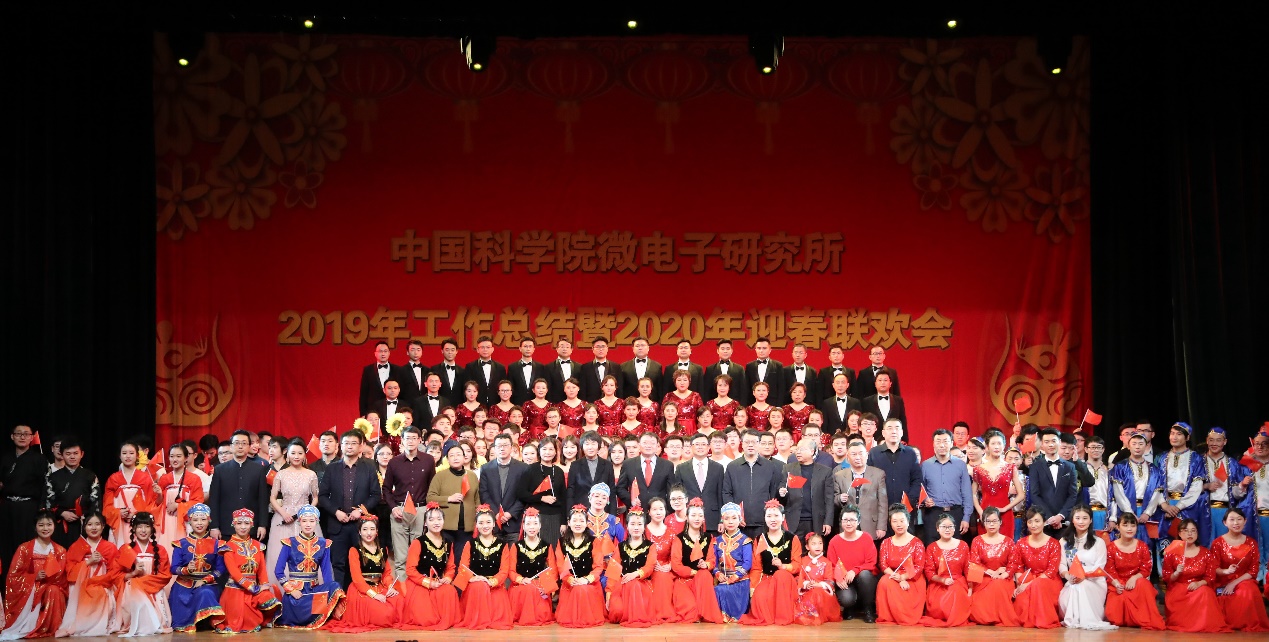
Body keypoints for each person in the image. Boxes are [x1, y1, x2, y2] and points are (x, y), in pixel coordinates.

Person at [317, 430, 381, 586]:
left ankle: (359, 597)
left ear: (361, 446)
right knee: (337, 564)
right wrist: (336, 512)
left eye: (354, 443)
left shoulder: (369, 467)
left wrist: (360, 510)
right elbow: (323, 496)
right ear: (340, 446)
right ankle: (338, 596)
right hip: (337, 524)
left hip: (360, 525)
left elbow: (375, 495)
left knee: (361, 564)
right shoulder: (332, 468)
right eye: (346, 443)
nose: (350, 447)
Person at [270, 504, 345, 629]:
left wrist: (330, 595)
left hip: (314, 591)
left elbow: (326, 573)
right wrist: (291, 590)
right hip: (296, 593)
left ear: (317, 522)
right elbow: (278, 571)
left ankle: (320, 614)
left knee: (335, 585)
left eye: (311, 521)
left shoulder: (324, 544)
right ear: (299, 522)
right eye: (304, 521)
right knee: (297, 607)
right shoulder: (290, 543)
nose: (308, 524)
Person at [1, 510, 68, 639]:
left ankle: (49, 626)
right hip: (30, 589)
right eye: (41, 525)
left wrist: (48, 578)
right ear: (35, 527)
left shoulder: (60, 551)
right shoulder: (24, 548)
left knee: (54, 590)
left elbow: (62, 578)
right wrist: (33, 578)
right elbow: (13, 576)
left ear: (54, 526)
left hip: (50, 588)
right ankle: (30, 625)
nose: (45, 528)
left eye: (49, 524)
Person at [330, 516, 404, 631]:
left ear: (377, 531)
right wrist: (374, 595)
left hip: (379, 587)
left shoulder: (383, 549)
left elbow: (386, 574)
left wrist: (390, 586)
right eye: (365, 529)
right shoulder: (354, 550)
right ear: (359, 532)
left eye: (372, 529)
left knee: (399, 601)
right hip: (362, 590)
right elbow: (357, 579)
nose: (369, 533)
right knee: (384, 613)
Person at [263, 440, 319, 587]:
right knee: (280, 552)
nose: (296, 456)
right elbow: (272, 498)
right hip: (284, 517)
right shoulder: (281, 474)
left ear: (304, 455)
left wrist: (308, 513)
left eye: (300, 453)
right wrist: (283, 513)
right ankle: (282, 589)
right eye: (293, 453)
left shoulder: (311, 474)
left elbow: (315, 497)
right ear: (287, 454)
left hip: (305, 519)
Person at [55, 512, 118, 636]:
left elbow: (114, 571)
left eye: (97, 524)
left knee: (99, 591)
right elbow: (70, 573)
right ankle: (82, 624)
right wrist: (88, 562)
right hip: (80, 585)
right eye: (89, 524)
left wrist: (100, 580)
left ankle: (95, 624)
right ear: (84, 526)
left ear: (103, 526)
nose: (93, 528)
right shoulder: (75, 547)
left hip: (102, 584)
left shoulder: (110, 547)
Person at [1162, 518, 1230, 632]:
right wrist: (1176, 573)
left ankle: (1203, 625)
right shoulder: (1171, 553)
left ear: (1197, 533)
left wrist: (1199, 583)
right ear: (1179, 533)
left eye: (1193, 531)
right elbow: (1167, 577)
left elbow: (1210, 577)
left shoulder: (1206, 553)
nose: (1190, 534)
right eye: (1186, 530)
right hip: (1179, 588)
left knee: (1205, 592)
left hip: (1199, 586)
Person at [400, 502, 460, 630]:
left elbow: (451, 567)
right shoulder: (418, 542)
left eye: (439, 519)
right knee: (427, 620)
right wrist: (428, 582)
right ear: (425, 523)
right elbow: (410, 570)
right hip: (419, 584)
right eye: (431, 519)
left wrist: (447, 578)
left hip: (438, 583)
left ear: (443, 521)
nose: (436, 522)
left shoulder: (448, 543)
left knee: (450, 591)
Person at [218, 508, 280, 632]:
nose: (243, 527)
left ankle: (264, 618)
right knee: (239, 620)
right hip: (236, 590)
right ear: (233, 524)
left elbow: (261, 570)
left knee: (270, 598)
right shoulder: (228, 547)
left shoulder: (258, 546)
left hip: (254, 590)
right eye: (239, 523)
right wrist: (254, 588)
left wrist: (264, 586)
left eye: (246, 523)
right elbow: (234, 573)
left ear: (251, 524)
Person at [167, 504, 226, 633]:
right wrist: (186, 569)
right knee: (180, 597)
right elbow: (173, 568)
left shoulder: (217, 544)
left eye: (203, 519)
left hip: (208, 583)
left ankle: (208, 622)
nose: (199, 523)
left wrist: (205, 580)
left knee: (205, 593)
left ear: (209, 520)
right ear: (190, 521)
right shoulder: (181, 544)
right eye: (195, 520)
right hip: (183, 584)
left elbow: (221, 569)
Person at [740, 500, 800, 625]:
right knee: (760, 598)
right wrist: (753, 588)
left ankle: (783, 616)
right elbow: (756, 568)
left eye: (776, 515)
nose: (773, 519)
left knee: (780, 574)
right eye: (769, 516)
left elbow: (797, 565)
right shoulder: (759, 539)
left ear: (783, 517)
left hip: (786, 580)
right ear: (765, 518)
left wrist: (783, 566)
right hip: (767, 579)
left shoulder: (792, 538)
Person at [1057, 505, 1117, 630]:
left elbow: (1100, 566)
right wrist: (1068, 576)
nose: (1081, 522)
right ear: (1072, 520)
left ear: (1090, 521)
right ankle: (1074, 619)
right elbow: (1062, 564)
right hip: (1072, 581)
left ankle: (1086, 619)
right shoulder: (1064, 541)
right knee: (1072, 590)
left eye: (1085, 518)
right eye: (1078, 518)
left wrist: (1083, 576)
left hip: (1094, 581)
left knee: (1081, 586)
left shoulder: (1098, 542)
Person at [1103, 512, 1165, 630]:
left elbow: (1146, 569)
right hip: (1118, 583)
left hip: (1136, 583)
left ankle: (1143, 619)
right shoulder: (1110, 547)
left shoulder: (1142, 546)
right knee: (1116, 619)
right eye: (1125, 525)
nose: (1129, 528)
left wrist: (1134, 578)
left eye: (1133, 525)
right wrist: (1116, 584)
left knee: (1144, 584)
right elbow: (1110, 571)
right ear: (1118, 527)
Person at [1210, 508, 1269, 631]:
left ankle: (1245, 624)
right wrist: (1225, 571)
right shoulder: (1217, 543)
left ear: (1245, 521)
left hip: (1244, 580)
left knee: (1248, 589)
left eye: (1239, 519)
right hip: (1223, 581)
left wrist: (1234, 583)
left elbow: (1253, 571)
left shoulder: (1251, 543)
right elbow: (1214, 568)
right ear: (1225, 523)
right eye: (1232, 520)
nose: (1236, 523)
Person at [1155, 422, 1209, 548]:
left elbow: (1196, 486)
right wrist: (1164, 505)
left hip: (1186, 506)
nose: (1174, 437)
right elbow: (1155, 484)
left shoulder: (1196, 458)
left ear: (1187, 437)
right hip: (1164, 505)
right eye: (1172, 433)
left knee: (1186, 542)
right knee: (1166, 545)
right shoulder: (1161, 458)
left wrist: (1178, 507)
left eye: (1179, 434)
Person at [669, 498, 723, 622]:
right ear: (687, 517)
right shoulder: (679, 539)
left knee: (704, 574)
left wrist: (706, 565)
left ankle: (708, 613)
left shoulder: (709, 537)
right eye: (693, 515)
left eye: (700, 515)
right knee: (691, 612)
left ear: (703, 518)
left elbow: (712, 560)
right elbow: (676, 565)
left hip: (702, 581)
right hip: (684, 581)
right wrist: (693, 572)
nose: (697, 518)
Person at [1108, 432, 1165, 550]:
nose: (1137, 447)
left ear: (1146, 446)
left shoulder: (1154, 469)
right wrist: (1129, 512)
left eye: (1140, 444)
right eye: (1134, 444)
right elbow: (1118, 492)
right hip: (1126, 510)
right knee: (1126, 543)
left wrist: (1147, 513)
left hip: (1146, 512)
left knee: (1146, 545)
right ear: (1128, 446)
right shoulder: (1120, 467)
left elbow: (1156, 493)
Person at [425, 442, 478, 568]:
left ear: (464, 457)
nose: (455, 458)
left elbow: (477, 500)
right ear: (447, 459)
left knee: (463, 561)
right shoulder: (440, 476)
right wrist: (448, 499)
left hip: (467, 527)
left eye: (458, 455)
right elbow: (430, 498)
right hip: (446, 526)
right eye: (451, 455)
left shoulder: (472, 476)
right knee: (446, 560)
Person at [553, 505, 606, 628]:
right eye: (575, 520)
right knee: (577, 589)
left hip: (589, 585)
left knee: (581, 589)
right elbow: (560, 566)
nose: (578, 524)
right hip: (570, 584)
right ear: (569, 523)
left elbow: (598, 567)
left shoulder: (594, 541)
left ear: (587, 523)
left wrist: (586, 580)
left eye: (581, 521)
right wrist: (570, 579)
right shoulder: (561, 542)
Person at [723, 430, 784, 537]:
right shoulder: (732, 466)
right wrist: (734, 515)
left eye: (754, 442)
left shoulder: (770, 466)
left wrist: (770, 516)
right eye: (747, 442)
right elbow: (727, 493)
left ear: (759, 444)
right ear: (742, 443)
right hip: (739, 522)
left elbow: (773, 493)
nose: (750, 445)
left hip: (763, 521)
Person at [101, 440, 160, 550]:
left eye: (131, 453)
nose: (128, 456)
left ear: (137, 456)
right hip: (119, 522)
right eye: (124, 453)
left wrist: (137, 515)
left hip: (139, 524)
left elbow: (152, 503)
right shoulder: (113, 479)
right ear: (119, 456)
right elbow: (107, 506)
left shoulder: (145, 478)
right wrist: (118, 513)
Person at [605, 505, 658, 627]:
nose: (636, 527)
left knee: (635, 585)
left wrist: (635, 574)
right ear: (627, 527)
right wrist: (609, 595)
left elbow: (649, 567)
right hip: (622, 585)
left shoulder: (650, 546)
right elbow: (613, 572)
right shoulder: (620, 546)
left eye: (639, 524)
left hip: (642, 585)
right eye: (632, 524)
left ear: (644, 527)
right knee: (616, 613)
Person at [967, 506, 1021, 626]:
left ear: (1000, 522)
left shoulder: (1008, 541)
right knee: (978, 610)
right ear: (983, 523)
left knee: (998, 585)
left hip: (1003, 578)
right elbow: (975, 563)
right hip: (983, 578)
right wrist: (992, 572)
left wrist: (1004, 574)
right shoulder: (977, 541)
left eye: (994, 521)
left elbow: (1013, 563)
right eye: (988, 521)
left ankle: (999, 616)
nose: (991, 524)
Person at [868, 420, 922, 535]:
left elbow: (917, 479)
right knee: (882, 540)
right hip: (880, 509)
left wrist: (910, 499)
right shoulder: (874, 453)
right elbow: (869, 479)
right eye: (890, 428)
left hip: (906, 507)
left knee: (905, 540)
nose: (893, 431)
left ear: (902, 432)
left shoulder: (910, 453)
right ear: (883, 433)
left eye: (897, 428)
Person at [1012, 507, 1062, 628]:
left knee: (1038, 586)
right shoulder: (1021, 543)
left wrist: (1028, 585)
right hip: (1027, 580)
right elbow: (1018, 567)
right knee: (1021, 602)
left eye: (1037, 521)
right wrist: (1020, 585)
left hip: (1048, 581)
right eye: (1030, 522)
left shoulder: (1054, 543)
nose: (1033, 525)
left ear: (1044, 522)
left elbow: (1051, 571)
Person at [918, 512, 970, 627]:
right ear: (937, 529)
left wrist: (970, 587)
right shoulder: (931, 547)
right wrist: (943, 580)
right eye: (944, 527)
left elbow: (968, 568)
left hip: (958, 582)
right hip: (938, 583)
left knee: (955, 591)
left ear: (954, 528)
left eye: (950, 526)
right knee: (941, 602)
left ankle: (955, 617)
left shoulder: (963, 545)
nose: (947, 529)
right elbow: (929, 572)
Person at [505, 507, 556, 626]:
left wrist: (546, 587)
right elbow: (511, 570)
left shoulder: (547, 546)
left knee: (534, 592)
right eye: (528, 524)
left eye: (535, 523)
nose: (532, 527)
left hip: (539, 586)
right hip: (520, 586)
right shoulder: (516, 546)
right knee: (527, 589)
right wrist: (521, 579)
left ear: (540, 526)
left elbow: (553, 570)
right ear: (523, 526)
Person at [874, 504, 925, 624]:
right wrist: (897, 577)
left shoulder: (917, 543)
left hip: (911, 577)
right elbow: (883, 565)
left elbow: (919, 567)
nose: (899, 524)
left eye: (902, 521)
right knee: (884, 581)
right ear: (890, 524)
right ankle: (889, 616)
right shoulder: (886, 542)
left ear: (908, 522)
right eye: (895, 521)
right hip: (893, 574)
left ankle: (905, 615)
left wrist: (903, 577)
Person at [45, 439, 99, 550]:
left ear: (82, 454)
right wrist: (61, 513)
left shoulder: (90, 476)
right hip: (60, 523)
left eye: (75, 453)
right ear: (62, 455)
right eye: (68, 453)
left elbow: (96, 502)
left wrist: (88, 518)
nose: (72, 457)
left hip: (84, 523)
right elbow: (47, 503)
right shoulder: (53, 477)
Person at [921, 429, 973, 543]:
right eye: (938, 441)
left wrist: (966, 518)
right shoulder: (925, 465)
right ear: (933, 444)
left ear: (951, 443)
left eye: (945, 441)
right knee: (932, 547)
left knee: (955, 548)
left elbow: (967, 493)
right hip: (933, 514)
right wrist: (925, 500)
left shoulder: (960, 465)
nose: (942, 445)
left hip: (956, 513)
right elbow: (921, 490)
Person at [826, 506, 877, 621]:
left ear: (858, 521)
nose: (848, 523)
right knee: (847, 599)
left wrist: (855, 570)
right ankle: (850, 608)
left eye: (852, 520)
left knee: (865, 575)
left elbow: (871, 562)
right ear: (841, 521)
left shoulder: (866, 538)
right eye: (845, 520)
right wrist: (838, 578)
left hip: (862, 577)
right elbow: (831, 565)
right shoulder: (834, 541)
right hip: (844, 579)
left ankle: (868, 608)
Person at [1202, 427, 1252, 542]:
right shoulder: (1198, 462)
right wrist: (1205, 486)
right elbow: (1188, 488)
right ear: (1207, 441)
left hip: (1225, 511)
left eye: (1218, 440)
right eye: (1211, 440)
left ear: (1225, 442)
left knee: (1225, 544)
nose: (1214, 443)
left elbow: (1236, 495)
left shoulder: (1232, 464)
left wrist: (1242, 485)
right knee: (1205, 544)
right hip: (1203, 511)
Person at [834, 439, 888, 541]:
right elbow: (833, 499)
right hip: (848, 525)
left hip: (870, 525)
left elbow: (883, 503)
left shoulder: (878, 474)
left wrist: (881, 527)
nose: (857, 457)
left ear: (866, 455)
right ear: (848, 457)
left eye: (861, 453)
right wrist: (839, 498)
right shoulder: (839, 476)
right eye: (854, 454)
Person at [781, 438, 835, 538]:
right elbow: (781, 494)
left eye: (802, 449)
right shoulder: (788, 469)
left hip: (817, 521)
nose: (798, 452)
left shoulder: (825, 471)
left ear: (812, 451)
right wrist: (781, 493)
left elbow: (829, 499)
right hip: (793, 520)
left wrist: (828, 521)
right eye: (797, 449)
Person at [1029, 428, 1078, 537]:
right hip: (1043, 521)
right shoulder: (1035, 467)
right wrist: (1050, 517)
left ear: (1059, 442)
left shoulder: (1070, 467)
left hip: (1065, 522)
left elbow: (1073, 494)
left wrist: (1060, 516)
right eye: (1047, 442)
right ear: (1042, 445)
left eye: (1053, 441)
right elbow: (1035, 494)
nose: (1051, 444)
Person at [478, 433, 526, 543]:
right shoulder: (486, 468)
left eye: (505, 445)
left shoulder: (523, 468)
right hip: (493, 522)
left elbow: (524, 495)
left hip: (514, 523)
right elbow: (484, 493)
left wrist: (510, 513)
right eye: (499, 446)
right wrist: (495, 513)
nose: (502, 448)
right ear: (494, 448)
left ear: (511, 447)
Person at [518, 437, 567, 544]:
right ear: (539, 451)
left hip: (556, 517)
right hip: (536, 517)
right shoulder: (530, 469)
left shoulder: (559, 471)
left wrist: (564, 522)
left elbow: (564, 498)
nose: (547, 452)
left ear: (555, 452)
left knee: (554, 549)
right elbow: (521, 493)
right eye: (544, 449)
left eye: (551, 449)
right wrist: (541, 498)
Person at [709, 502, 752, 622]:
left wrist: (734, 577)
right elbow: (713, 562)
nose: (730, 521)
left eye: (734, 518)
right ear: (722, 520)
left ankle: (730, 616)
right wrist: (718, 573)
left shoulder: (745, 540)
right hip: (722, 578)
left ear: (740, 520)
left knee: (721, 590)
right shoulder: (716, 540)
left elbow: (747, 563)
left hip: (740, 580)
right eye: (727, 518)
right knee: (714, 590)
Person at [677, 433, 724, 532]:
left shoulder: (718, 468)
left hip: (712, 518)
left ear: (708, 447)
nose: (700, 447)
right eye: (697, 444)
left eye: (703, 444)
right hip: (689, 517)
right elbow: (679, 494)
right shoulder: (681, 468)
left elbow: (720, 494)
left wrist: (721, 519)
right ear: (691, 447)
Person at [617, 431, 674, 509]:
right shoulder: (628, 464)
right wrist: (631, 500)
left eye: (652, 443)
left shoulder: (667, 465)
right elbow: (620, 488)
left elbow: (671, 491)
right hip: (635, 511)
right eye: (645, 443)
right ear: (639, 445)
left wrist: (664, 507)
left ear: (657, 446)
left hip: (659, 511)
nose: (648, 446)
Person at [567, 431, 615, 511]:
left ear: (598, 446)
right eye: (587, 444)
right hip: (581, 512)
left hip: (602, 511)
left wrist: (612, 515)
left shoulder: (608, 465)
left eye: (593, 444)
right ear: (582, 446)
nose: (590, 447)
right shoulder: (575, 465)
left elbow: (612, 493)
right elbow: (570, 492)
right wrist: (570, 513)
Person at [359, 341, 405, 416]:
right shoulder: (368, 370)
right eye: (380, 351)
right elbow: (364, 393)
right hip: (373, 410)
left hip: (394, 409)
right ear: (375, 353)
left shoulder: (397, 369)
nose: (383, 354)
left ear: (389, 353)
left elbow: (402, 391)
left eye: (385, 351)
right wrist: (363, 414)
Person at [861, 370, 906, 439]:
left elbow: (902, 419)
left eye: (885, 380)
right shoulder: (867, 401)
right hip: (874, 439)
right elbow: (864, 421)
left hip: (894, 438)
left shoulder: (898, 400)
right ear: (875, 384)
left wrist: (904, 438)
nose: (883, 383)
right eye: (880, 380)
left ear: (890, 383)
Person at [463, 336, 507, 407]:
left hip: (496, 404)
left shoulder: (500, 367)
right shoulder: (470, 367)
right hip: (476, 404)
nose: (485, 349)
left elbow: (504, 386)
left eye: (488, 347)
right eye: (482, 347)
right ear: (477, 350)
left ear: (492, 349)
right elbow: (467, 387)